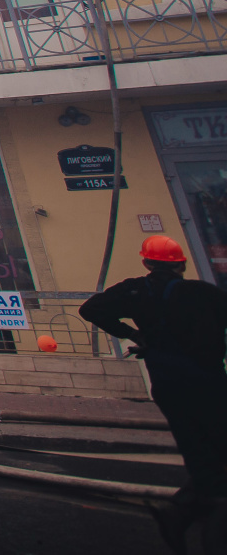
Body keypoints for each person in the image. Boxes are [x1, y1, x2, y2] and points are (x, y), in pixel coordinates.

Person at [80, 235, 227, 552]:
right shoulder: (202, 293)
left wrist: (134, 333)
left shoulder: (135, 292)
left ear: (146, 262)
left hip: (167, 384)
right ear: (182, 264)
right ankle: (208, 528)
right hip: (209, 383)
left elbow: (91, 309)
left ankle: (181, 513)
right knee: (217, 453)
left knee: (199, 453)